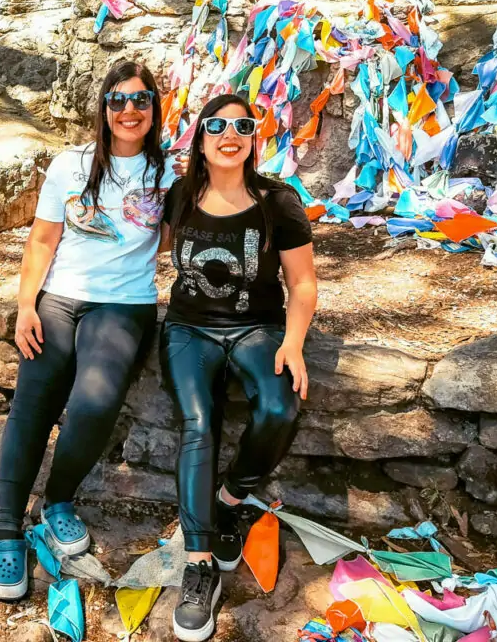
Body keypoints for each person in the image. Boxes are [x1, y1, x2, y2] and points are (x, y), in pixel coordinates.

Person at [0, 61, 177, 601]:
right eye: (118, 100)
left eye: (140, 100)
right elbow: (42, 240)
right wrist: (26, 306)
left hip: (124, 304)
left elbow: (169, 240)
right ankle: (6, 532)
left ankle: (57, 501)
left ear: (154, 108)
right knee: (33, 404)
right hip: (59, 298)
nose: (129, 110)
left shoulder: (166, 172)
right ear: (103, 107)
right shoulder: (69, 165)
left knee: (96, 404)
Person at [158, 94, 317, 641]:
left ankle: (228, 501)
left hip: (258, 329)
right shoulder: (181, 195)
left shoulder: (277, 201)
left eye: (242, 126)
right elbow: (140, 244)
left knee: (279, 407)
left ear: (254, 138)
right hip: (189, 328)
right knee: (199, 423)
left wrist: (293, 343)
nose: (230, 135)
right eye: (217, 126)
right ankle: (199, 564)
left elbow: (302, 282)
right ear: (200, 138)